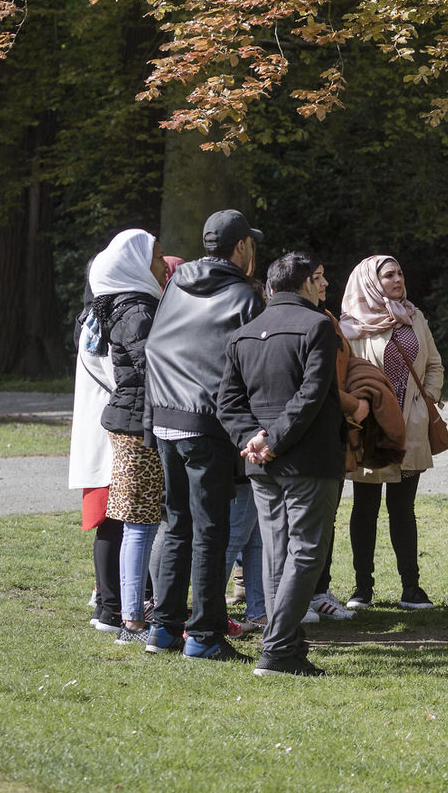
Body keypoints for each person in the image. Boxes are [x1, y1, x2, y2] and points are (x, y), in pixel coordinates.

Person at [218, 251, 368, 678]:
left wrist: (253, 440)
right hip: (306, 459)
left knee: (277, 552)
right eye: (318, 279)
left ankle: (287, 644)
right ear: (303, 283)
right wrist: (273, 441)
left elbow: (227, 401)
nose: (324, 287)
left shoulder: (243, 333)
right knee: (305, 551)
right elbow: (312, 394)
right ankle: (279, 650)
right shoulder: (318, 326)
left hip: (261, 463)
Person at [141, 209, 266, 660]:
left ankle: (164, 630)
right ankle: (205, 635)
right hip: (208, 424)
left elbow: (155, 345)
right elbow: (252, 363)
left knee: (177, 523)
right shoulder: (245, 295)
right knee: (210, 529)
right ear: (240, 248)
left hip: (166, 419)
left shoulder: (176, 284)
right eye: (251, 243)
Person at [338, 255, 446, 610]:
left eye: (400, 273)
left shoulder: (414, 317)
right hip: (372, 430)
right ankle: (361, 589)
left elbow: (433, 363)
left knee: (404, 509)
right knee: (365, 510)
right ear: (370, 281)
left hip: (411, 430)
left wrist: (426, 398)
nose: (398, 279)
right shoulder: (352, 326)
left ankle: (411, 588)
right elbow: (347, 375)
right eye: (388, 275)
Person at [88, 228, 170, 644]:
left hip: (135, 420)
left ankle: (136, 612)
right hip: (139, 425)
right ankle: (132, 621)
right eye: (156, 257)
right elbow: (151, 367)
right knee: (139, 522)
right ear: (136, 263)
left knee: (140, 520)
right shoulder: (137, 311)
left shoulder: (128, 307)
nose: (161, 264)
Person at [68, 272, 123, 633]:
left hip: (99, 428)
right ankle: (109, 607)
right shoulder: (106, 320)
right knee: (113, 522)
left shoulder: (90, 318)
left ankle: (106, 603)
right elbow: (120, 376)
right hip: (113, 429)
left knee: (109, 522)